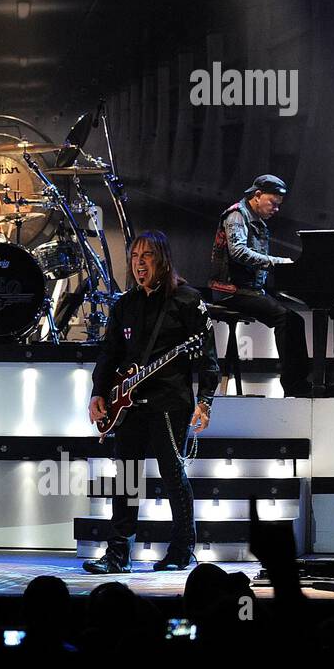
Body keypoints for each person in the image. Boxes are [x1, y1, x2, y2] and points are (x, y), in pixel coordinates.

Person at [85, 230, 219, 574]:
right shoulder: (125, 304)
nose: (139, 263)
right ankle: (117, 554)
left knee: (172, 473)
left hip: (169, 401)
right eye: (134, 257)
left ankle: (181, 549)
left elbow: (207, 356)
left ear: (162, 260)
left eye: (147, 256)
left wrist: (204, 400)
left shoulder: (187, 300)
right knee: (126, 477)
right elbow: (109, 353)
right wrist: (98, 393)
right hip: (127, 405)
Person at [209, 174, 311, 397]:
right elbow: (238, 253)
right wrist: (278, 262)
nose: (276, 209)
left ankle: (300, 383)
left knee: (295, 320)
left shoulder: (255, 219)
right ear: (257, 195)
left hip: (249, 291)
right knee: (286, 319)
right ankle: (295, 387)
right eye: (273, 203)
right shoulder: (237, 215)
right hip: (231, 292)